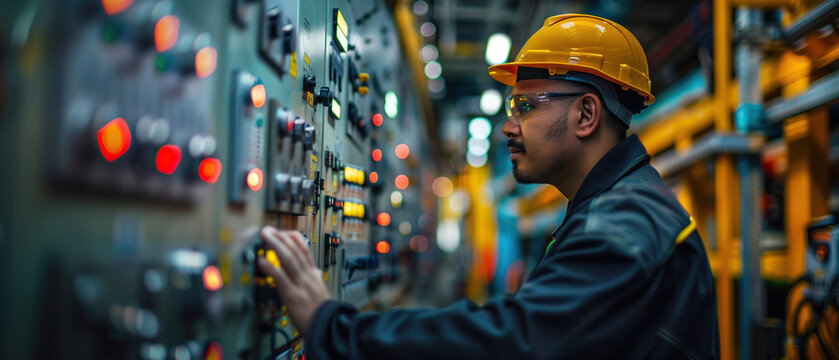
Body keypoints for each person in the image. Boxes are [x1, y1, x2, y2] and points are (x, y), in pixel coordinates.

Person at [258, 14, 720, 359]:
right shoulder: (616, 208)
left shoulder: (625, 224)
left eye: (524, 106)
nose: (508, 127)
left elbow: (513, 340)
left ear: (585, 114)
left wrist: (332, 328)